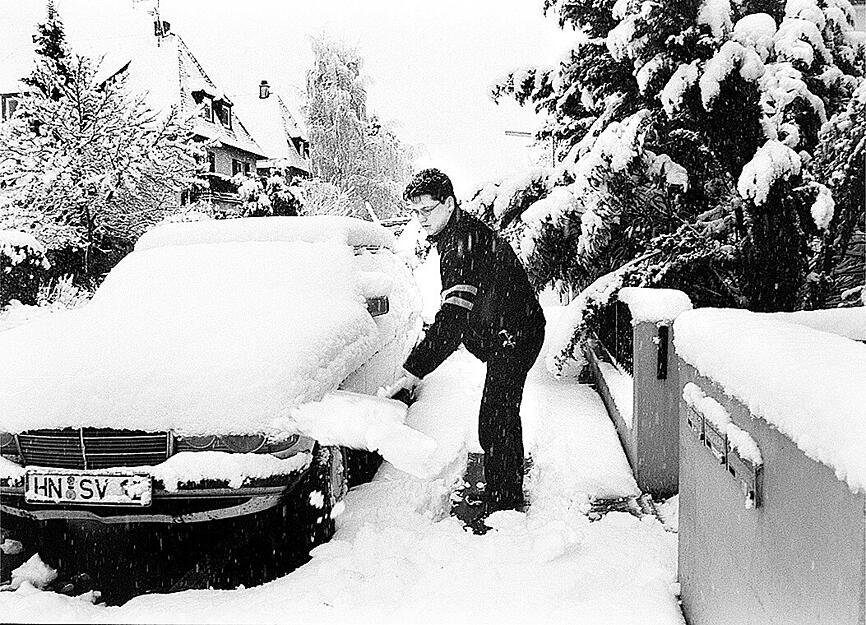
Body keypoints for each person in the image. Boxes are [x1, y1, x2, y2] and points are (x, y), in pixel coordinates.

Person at [388, 168, 545, 521]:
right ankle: (504, 488)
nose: (420, 219)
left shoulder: (463, 244)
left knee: (497, 416)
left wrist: (414, 370)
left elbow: (454, 317)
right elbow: (463, 307)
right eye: (416, 212)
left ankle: (504, 503)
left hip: (516, 335)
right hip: (506, 332)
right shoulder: (457, 235)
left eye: (426, 210)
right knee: (497, 414)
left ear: (449, 203)